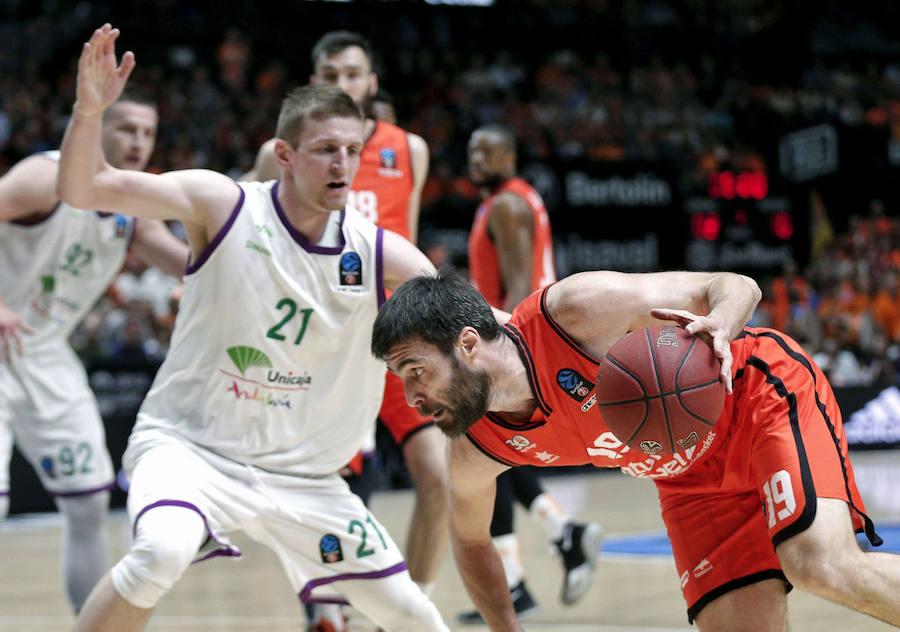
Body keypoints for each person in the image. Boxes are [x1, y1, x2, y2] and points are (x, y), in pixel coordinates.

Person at [62, 25, 447, 632]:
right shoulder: (223, 203)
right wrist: (88, 113)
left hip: (303, 477)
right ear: (285, 154)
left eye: (352, 151)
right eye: (325, 149)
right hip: (192, 450)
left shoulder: (378, 252)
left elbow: (464, 316)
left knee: (416, 619)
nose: (343, 164)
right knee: (161, 552)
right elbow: (86, 187)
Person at [372, 270, 900, 631]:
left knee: (820, 565)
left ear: (467, 344)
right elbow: (469, 540)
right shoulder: (476, 446)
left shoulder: (574, 312)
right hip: (688, 483)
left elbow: (735, 285)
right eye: (401, 380)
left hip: (755, 399)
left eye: (416, 371)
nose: (412, 397)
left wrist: (721, 324)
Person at [245, 31, 446, 631]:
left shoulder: (408, 148)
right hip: (318, 346)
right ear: (313, 81)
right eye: (331, 73)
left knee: (438, 478)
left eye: (354, 73)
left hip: (393, 342)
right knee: (330, 493)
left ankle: (406, 611)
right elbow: (255, 253)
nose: (344, 83)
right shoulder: (274, 155)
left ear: (372, 82)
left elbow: (404, 247)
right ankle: (327, 611)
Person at [0, 84, 188, 612]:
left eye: (148, 133)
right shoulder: (44, 176)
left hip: (44, 355)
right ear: (98, 129)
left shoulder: (133, 205)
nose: (138, 142)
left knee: (88, 505)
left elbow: (182, 262)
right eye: (127, 128)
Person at [456, 124, 602, 624]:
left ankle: (532, 566)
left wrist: (502, 348)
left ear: (512, 154)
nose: (478, 156)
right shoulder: (505, 201)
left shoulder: (507, 205)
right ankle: (551, 546)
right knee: (494, 451)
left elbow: (518, 287)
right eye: (473, 149)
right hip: (528, 344)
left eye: (490, 148)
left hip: (519, 344)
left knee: (486, 447)